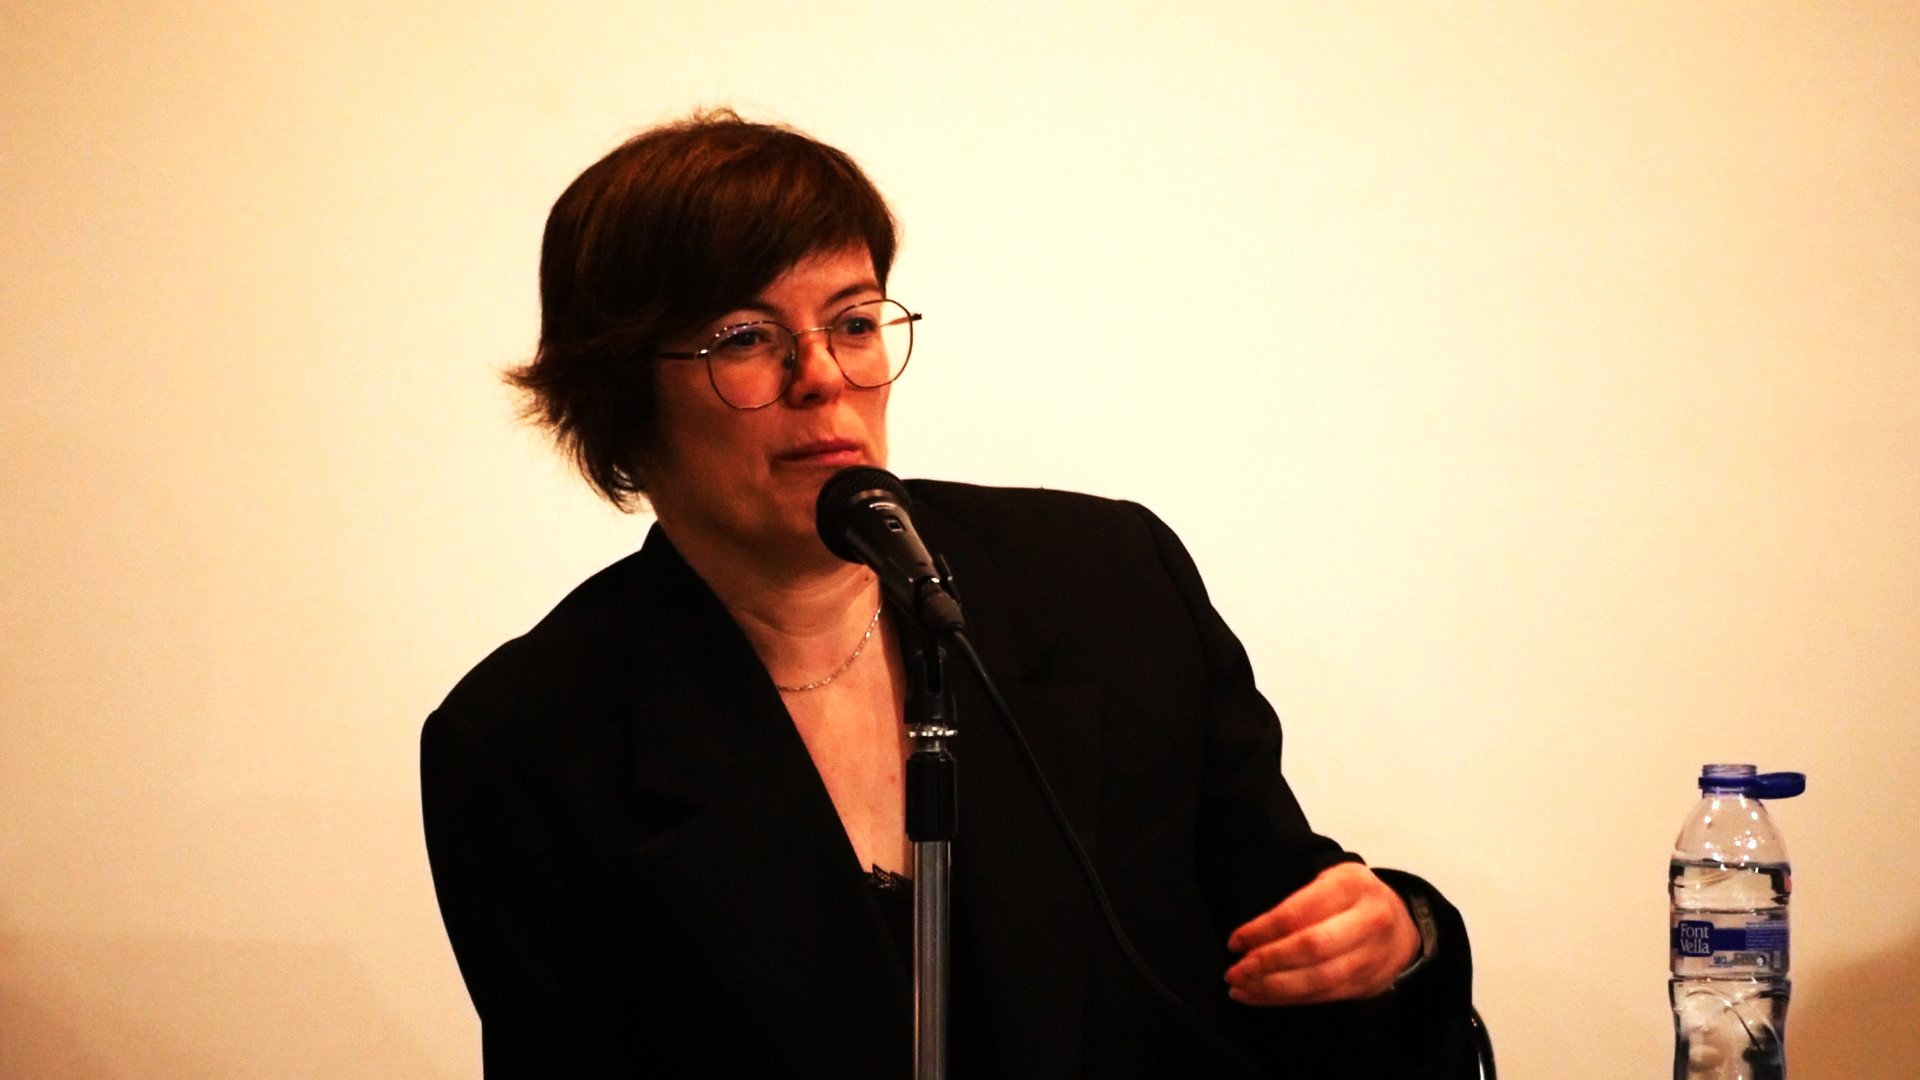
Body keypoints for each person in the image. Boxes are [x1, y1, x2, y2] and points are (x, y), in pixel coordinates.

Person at [421, 109, 1476, 1078]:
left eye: (853, 322)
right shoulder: (528, 743)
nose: (822, 376)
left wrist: (1401, 938)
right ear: (618, 395)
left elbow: (1293, 920)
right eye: (745, 337)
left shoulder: (1106, 580)